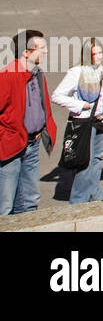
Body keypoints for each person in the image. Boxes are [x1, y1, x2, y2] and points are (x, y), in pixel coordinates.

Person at [51, 38, 103, 205]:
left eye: (100, 53)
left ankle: (95, 197)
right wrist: (79, 105)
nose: (98, 57)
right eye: (94, 54)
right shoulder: (76, 72)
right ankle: (78, 202)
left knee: (97, 159)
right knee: (85, 162)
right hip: (84, 122)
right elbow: (57, 95)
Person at [0, 30, 56, 216]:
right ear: (26, 52)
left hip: (32, 144)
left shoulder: (37, 73)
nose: (46, 51)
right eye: (42, 48)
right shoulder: (8, 76)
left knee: (30, 200)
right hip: (10, 147)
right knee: (5, 204)